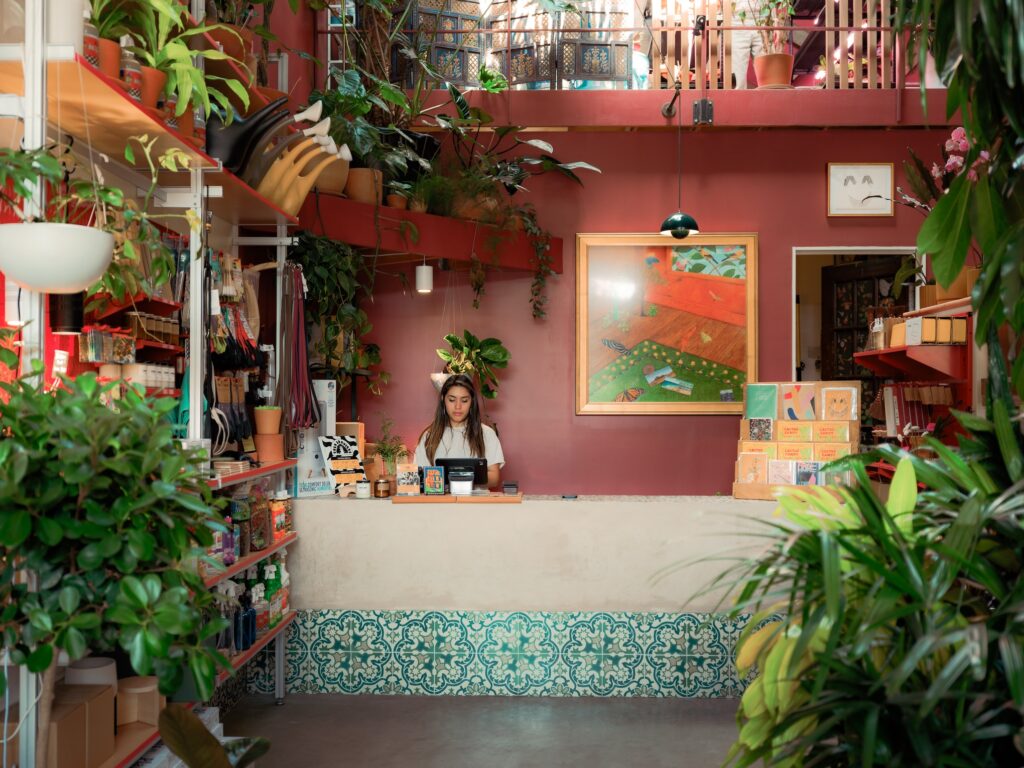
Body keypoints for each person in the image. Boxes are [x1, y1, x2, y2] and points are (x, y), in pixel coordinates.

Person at [414, 373, 504, 490]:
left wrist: (456, 479)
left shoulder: (487, 434)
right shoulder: (429, 436)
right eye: (452, 400)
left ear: (472, 402)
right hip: (438, 506)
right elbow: (419, 477)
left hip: (476, 505)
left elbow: (494, 478)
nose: (458, 406)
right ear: (443, 400)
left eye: (464, 400)